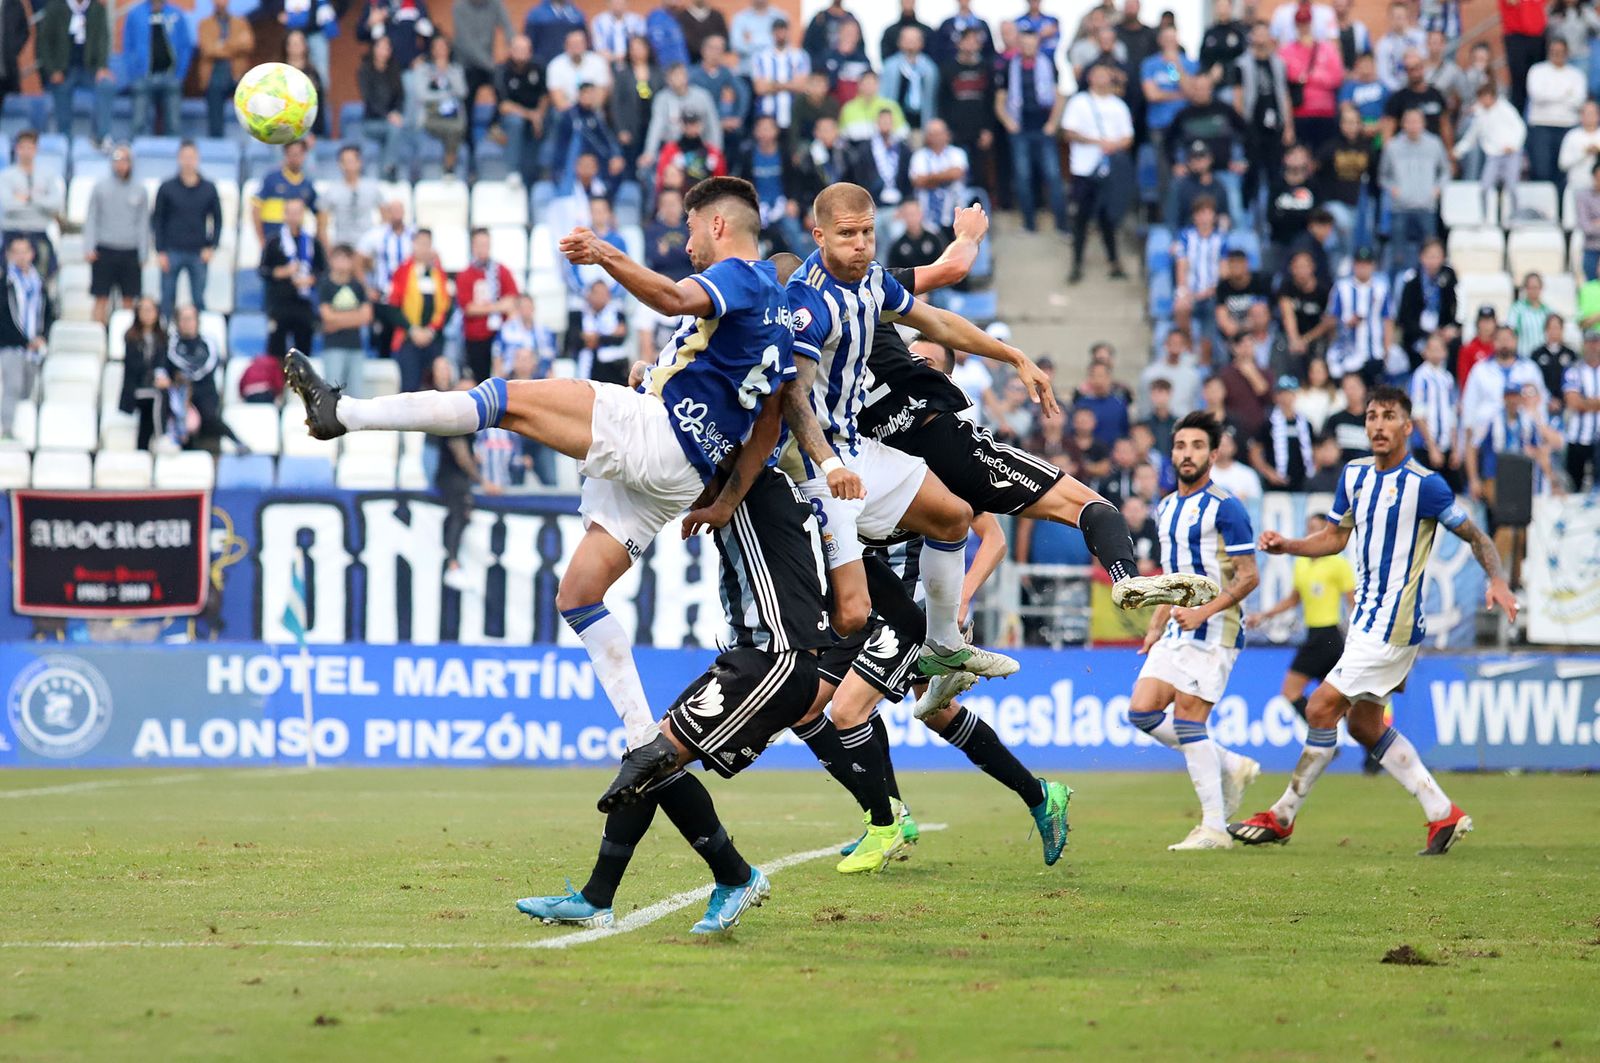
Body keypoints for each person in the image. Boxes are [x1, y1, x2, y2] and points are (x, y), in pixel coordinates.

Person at [286, 177, 797, 800]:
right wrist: (721, 501)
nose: (688, 243)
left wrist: (604, 253)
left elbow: (668, 298)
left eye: (691, 229)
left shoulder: (740, 275)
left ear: (718, 225)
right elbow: (770, 420)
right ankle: (645, 741)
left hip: (659, 433)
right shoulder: (776, 306)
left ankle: (345, 414)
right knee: (579, 595)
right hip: (684, 472)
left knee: (501, 399)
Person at [517, 445, 834, 932]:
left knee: (651, 757)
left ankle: (734, 876)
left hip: (777, 660)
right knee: (649, 756)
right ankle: (598, 897)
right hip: (753, 657)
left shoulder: (754, 487)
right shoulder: (772, 494)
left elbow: (721, 446)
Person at [1235, 386, 1517, 854]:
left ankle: (1282, 815)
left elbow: (1476, 536)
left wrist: (1498, 580)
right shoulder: (1354, 475)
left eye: (1389, 416)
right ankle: (1441, 813)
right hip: (1367, 621)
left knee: (1323, 707)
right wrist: (1289, 545)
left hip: (1394, 625)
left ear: (1408, 426)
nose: (1378, 425)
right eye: (1372, 416)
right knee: (1364, 725)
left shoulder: (1426, 484)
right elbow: (1333, 538)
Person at [1127, 411, 1262, 851]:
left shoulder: (1227, 506)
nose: (1188, 454)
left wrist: (1204, 613)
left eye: (1198, 446)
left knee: (1188, 721)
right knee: (1142, 713)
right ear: (1172, 453)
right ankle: (1228, 762)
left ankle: (1214, 828)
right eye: (1182, 446)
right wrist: (1154, 624)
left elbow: (1248, 577)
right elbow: (1174, 577)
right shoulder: (1165, 507)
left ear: (1214, 454)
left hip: (1216, 630)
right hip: (1176, 630)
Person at [1246, 511, 1356, 718]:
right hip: (1316, 635)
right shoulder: (1301, 563)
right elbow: (1293, 599)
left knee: (1290, 691)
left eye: (1318, 529)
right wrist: (1263, 615)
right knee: (1339, 701)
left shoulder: (1338, 563)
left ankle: (1321, 736)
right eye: (1309, 529)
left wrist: (1360, 635)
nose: (1311, 533)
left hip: (1328, 636)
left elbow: (1351, 601)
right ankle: (1370, 746)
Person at [1062, 61, 1132, 283]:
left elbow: (1128, 137)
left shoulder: (1119, 105)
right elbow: (1068, 133)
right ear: (1090, 77)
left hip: (1109, 172)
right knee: (1081, 218)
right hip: (1084, 170)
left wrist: (1114, 145)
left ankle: (1114, 262)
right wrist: (1095, 141)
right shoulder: (1079, 102)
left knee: (1108, 218)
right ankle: (1076, 263)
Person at [997, 29, 1068, 234]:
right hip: (1020, 128)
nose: (1029, 48)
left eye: (1032, 44)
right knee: (1022, 177)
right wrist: (1008, 122)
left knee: (1053, 177)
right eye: (1025, 44)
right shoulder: (1010, 67)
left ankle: (1062, 224)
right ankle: (1029, 223)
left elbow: (1058, 96)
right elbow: (1000, 100)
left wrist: (1053, 123)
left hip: (1043, 128)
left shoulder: (1048, 65)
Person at [84, 144, 149, 326]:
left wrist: (144, 252)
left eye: (125, 160)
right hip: (104, 249)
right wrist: (89, 246)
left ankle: (124, 339)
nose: (121, 165)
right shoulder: (100, 188)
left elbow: (144, 223)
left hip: (130, 251)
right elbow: (91, 218)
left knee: (129, 301)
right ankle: (96, 337)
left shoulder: (140, 190)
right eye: (118, 160)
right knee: (101, 298)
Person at [1380, 108, 1449, 272]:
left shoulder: (1434, 144)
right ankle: (1401, 290)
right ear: (1403, 124)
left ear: (1423, 123)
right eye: (1409, 121)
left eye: (1416, 121)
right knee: (1398, 255)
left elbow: (1445, 171)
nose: (1413, 125)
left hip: (1426, 206)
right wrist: (1393, 189)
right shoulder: (1392, 146)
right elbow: (1383, 175)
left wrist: (1438, 189)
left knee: (1430, 253)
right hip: (1400, 208)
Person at [37, 0, 115, 145]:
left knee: (106, 86)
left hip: (89, 69)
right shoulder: (55, 8)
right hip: (63, 70)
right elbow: (44, 42)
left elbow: (103, 40)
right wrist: (53, 70)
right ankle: (65, 139)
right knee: (61, 89)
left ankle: (103, 136)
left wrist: (102, 67)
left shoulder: (97, 9)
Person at [386, 227, 454, 392]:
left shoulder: (439, 274)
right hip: (409, 338)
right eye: (420, 243)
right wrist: (413, 330)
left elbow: (447, 308)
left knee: (441, 381)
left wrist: (431, 331)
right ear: (413, 245)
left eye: (427, 244)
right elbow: (393, 308)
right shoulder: (402, 272)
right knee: (410, 387)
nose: (424, 248)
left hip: (434, 338)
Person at [260, 200, 326, 361]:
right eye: (290, 212)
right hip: (280, 303)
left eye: (298, 212)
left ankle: (301, 384)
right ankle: (276, 383)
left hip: (304, 303)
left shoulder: (312, 242)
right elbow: (263, 270)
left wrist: (310, 279)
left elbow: (322, 270)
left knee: (303, 352)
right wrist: (280, 272)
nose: (294, 217)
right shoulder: (274, 242)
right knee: (276, 350)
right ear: (284, 215)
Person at [455, 228, 519, 386]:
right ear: (472, 246)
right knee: (480, 381)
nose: (482, 248)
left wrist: (484, 308)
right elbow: (469, 308)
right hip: (476, 338)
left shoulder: (501, 271)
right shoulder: (465, 275)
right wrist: (498, 306)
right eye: (479, 244)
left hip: (499, 335)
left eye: (485, 244)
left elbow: (512, 301)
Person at [120, 0, 193, 137]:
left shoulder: (176, 13)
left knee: (174, 124)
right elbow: (128, 47)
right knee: (138, 123)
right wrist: (134, 74)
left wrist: (180, 75)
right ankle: (139, 149)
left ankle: (173, 150)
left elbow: (185, 46)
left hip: (170, 76)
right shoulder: (135, 14)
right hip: (143, 77)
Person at [0, 234, 48, 441]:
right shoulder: (5, 283)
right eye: (16, 252)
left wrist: (41, 337)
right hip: (12, 345)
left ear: (31, 254)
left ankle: (23, 431)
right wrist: (24, 341)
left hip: (34, 347)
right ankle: (6, 429)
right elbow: (4, 317)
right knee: (13, 385)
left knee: (27, 390)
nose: (20, 256)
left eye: (24, 251)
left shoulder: (38, 283)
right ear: (9, 255)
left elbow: (47, 312)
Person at [1282, 6, 1346, 150]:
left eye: (1306, 23)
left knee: (1323, 155)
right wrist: (1318, 76)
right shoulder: (1286, 50)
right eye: (1300, 23)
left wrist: (1310, 78)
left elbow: (1337, 77)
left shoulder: (1327, 49)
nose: (1303, 27)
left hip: (1325, 112)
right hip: (1300, 112)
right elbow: (1287, 77)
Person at [1455, 83, 1525, 214]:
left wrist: (1514, 145)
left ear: (1493, 97)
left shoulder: (1505, 109)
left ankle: (1515, 215)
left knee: (1512, 187)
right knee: (1485, 187)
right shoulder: (1479, 115)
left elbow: (1520, 127)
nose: (1484, 101)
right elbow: (1471, 137)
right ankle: (1485, 217)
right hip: (1493, 156)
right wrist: (1459, 150)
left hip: (1511, 154)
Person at [1525, 37, 1586, 186]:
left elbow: (1578, 101)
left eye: (1560, 52)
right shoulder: (1537, 70)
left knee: (1563, 172)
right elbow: (1537, 95)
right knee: (1541, 170)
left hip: (1567, 126)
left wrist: (1550, 94)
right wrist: (1565, 94)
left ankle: (1561, 207)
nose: (1557, 55)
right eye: (1554, 52)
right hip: (1541, 125)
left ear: (1566, 53)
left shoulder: (1576, 74)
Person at [1328, 247, 1395, 384]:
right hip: (1348, 354)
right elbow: (1331, 320)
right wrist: (1345, 324)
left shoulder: (1382, 287)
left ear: (1373, 266)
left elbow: (1388, 320)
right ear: (1354, 265)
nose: (1363, 268)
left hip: (1374, 353)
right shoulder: (1341, 287)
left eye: (1366, 264)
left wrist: (1387, 350)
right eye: (1359, 264)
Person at [1393, 238, 1459, 368]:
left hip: (1442, 332)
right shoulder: (1411, 279)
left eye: (1436, 256)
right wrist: (1427, 334)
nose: (1433, 261)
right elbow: (1404, 317)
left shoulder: (1449, 275)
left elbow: (1455, 305)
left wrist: (1450, 328)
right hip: (1417, 334)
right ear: (1421, 257)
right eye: (1429, 256)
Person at [317, 245, 373, 399]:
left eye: (346, 258)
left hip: (355, 346)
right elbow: (326, 316)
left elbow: (366, 316)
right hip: (333, 346)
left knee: (356, 395)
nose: (342, 263)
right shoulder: (325, 285)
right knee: (333, 394)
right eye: (338, 258)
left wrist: (337, 321)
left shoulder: (358, 286)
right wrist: (355, 318)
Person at [410, 34, 469, 178]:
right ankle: (448, 166)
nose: (441, 50)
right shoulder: (423, 70)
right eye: (437, 47)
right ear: (432, 50)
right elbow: (422, 95)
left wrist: (447, 73)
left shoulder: (455, 70)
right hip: (431, 115)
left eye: (444, 47)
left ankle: (448, 166)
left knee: (457, 126)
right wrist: (446, 95)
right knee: (454, 129)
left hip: (452, 115)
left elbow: (462, 92)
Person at [1172, 197, 1225, 354]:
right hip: (1191, 292)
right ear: (1194, 216)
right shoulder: (1185, 237)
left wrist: (1210, 291)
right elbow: (1181, 265)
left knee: (1213, 311)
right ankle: (1187, 347)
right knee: (1181, 306)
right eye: (1200, 213)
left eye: (1208, 213)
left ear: (1214, 216)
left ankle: (1206, 357)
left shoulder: (1221, 239)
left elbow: (1224, 270)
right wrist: (1184, 291)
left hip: (1212, 293)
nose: (1204, 218)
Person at [196, 0, 253, 139]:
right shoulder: (204, 24)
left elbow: (248, 45)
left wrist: (221, 46)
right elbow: (207, 50)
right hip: (213, 74)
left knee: (252, 100)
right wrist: (235, 45)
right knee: (214, 95)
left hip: (237, 74)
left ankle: (251, 142)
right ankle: (216, 144)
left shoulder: (241, 22)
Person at [1409, 331, 1461, 483]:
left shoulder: (1447, 378)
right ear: (1425, 352)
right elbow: (1418, 414)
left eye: (1440, 349)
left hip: (1445, 444)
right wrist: (1432, 447)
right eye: (1432, 349)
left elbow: (1452, 415)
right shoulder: (1421, 376)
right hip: (1426, 446)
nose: (1436, 353)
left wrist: (1455, 448)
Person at [1249, 376, 1317, 491]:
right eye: (1282, 394)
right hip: (1275, 485)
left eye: (1289, 393)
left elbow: (1315, 450)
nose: (1286, 398)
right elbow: (1255, 452)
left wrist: (1313, 471)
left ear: (1295, 396)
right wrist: (1269, 473)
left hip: (1303, 484)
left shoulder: (1306, 424)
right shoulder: (1268, 424)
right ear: (1276, 397)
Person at [118, 297, 167, 448]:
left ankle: (143, 449)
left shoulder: (163, 338)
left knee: (149, 413)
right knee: (159, 395)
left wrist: (163, 377)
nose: (147, 314)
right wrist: (155, 377)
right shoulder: (131, 337)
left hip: (153, 389)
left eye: (150, 310)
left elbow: (163, 363)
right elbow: (135, 367)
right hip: (136, 389)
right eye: (143, 310)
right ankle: (162, 437)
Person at [358, 35, 408, 182]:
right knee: (394, 129)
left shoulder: (394, 70)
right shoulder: (365, 70)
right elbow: (369, 100)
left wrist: (396, 113)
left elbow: (400, 97)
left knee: (394, 131)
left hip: (391, 121)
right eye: (381, 47)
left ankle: (383, 175)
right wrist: (388, 115)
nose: (384, 51)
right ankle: (389, 168)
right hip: (371, 122)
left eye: (387, 47)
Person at [751, 14, 808, 137]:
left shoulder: (800, 55)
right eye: (777, 30)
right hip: (767, 114)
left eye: (783, 29)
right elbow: (760, 88)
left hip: (793, 115)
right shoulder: (761, 57)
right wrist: (790, 84)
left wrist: (772, 84)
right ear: (772, 32)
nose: (780, 33)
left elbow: (802, 87)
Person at [1277, 250, 1335, 370]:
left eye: (1304, 266)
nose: (1301, 271)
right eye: (1297, 267)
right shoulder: (1286, 287)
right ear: (1292, 269)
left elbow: (1329, 322)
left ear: (1312, 267)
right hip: (1293, 336)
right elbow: (1287, 315)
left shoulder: (1324, 290)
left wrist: (1305, 340)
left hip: (1316, 335)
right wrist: (1294, 339)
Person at [253, 141, 318, 244]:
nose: (295, 158)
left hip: (296, 241)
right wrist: (261, 239)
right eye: (291, 154)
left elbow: (319, 211)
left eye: (298, 154)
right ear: (285, 155)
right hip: (272, 237)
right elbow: (256, 209)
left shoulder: (307, 184)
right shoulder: (271, 178)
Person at [1563, 329, 1600, 489]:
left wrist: (1585, 402)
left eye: (1596, 342)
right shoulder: (1574, 369)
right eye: (1589, 342)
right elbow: (1573, 402)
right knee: (1573, 485)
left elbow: (1580, 402)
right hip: (1577, 438)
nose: (1593, 346)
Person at [1558, 101, 1600, 198]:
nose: (1590, 117)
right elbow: (1563, 164)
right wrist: (1584, 153)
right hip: (1577, 187)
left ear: (1598, 115)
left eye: (1593, 113)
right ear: (1581, 116)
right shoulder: (1572, 136)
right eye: (1586, 113)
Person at [1508, 272, 1552, 357]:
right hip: (1524, 358)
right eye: (1530, 288)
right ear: (1525, 289)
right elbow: (1511, 333)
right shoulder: (1517, 309)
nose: (1533, 291)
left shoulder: (1548, 311)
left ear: (1541, 288)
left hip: (1543, 359)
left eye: (1536, 287)